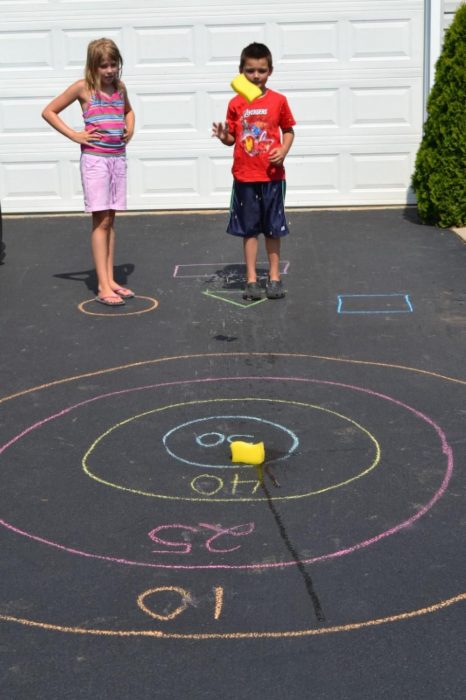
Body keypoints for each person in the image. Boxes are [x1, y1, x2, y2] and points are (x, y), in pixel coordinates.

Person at [42, 38, 135, 306]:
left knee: (111, 219)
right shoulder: (84, 88)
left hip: (117, 158)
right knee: (100, 219)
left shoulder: (120, 87)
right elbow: (49, 111)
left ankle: (111, 279)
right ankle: (102, 284)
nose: (108, 70)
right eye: (103, 66)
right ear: (92, 66)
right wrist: (74, 134)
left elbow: (128, 111)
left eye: (113, 64)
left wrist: (131, 126)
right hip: (95, 161)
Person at [212, 42, 295, 300]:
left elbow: (289, 130)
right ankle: (250, 280)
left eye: (261, 70)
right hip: (246, 176)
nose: (256, 76)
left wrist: (283, 150)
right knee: (249, 229)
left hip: (272, 176)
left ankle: (274, 277)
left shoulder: (278, 101)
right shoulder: (236, 103)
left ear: (270, 71)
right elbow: (233, 139)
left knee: (273, 228)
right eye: (250, 71)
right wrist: (225, 136)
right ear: (241, 71)